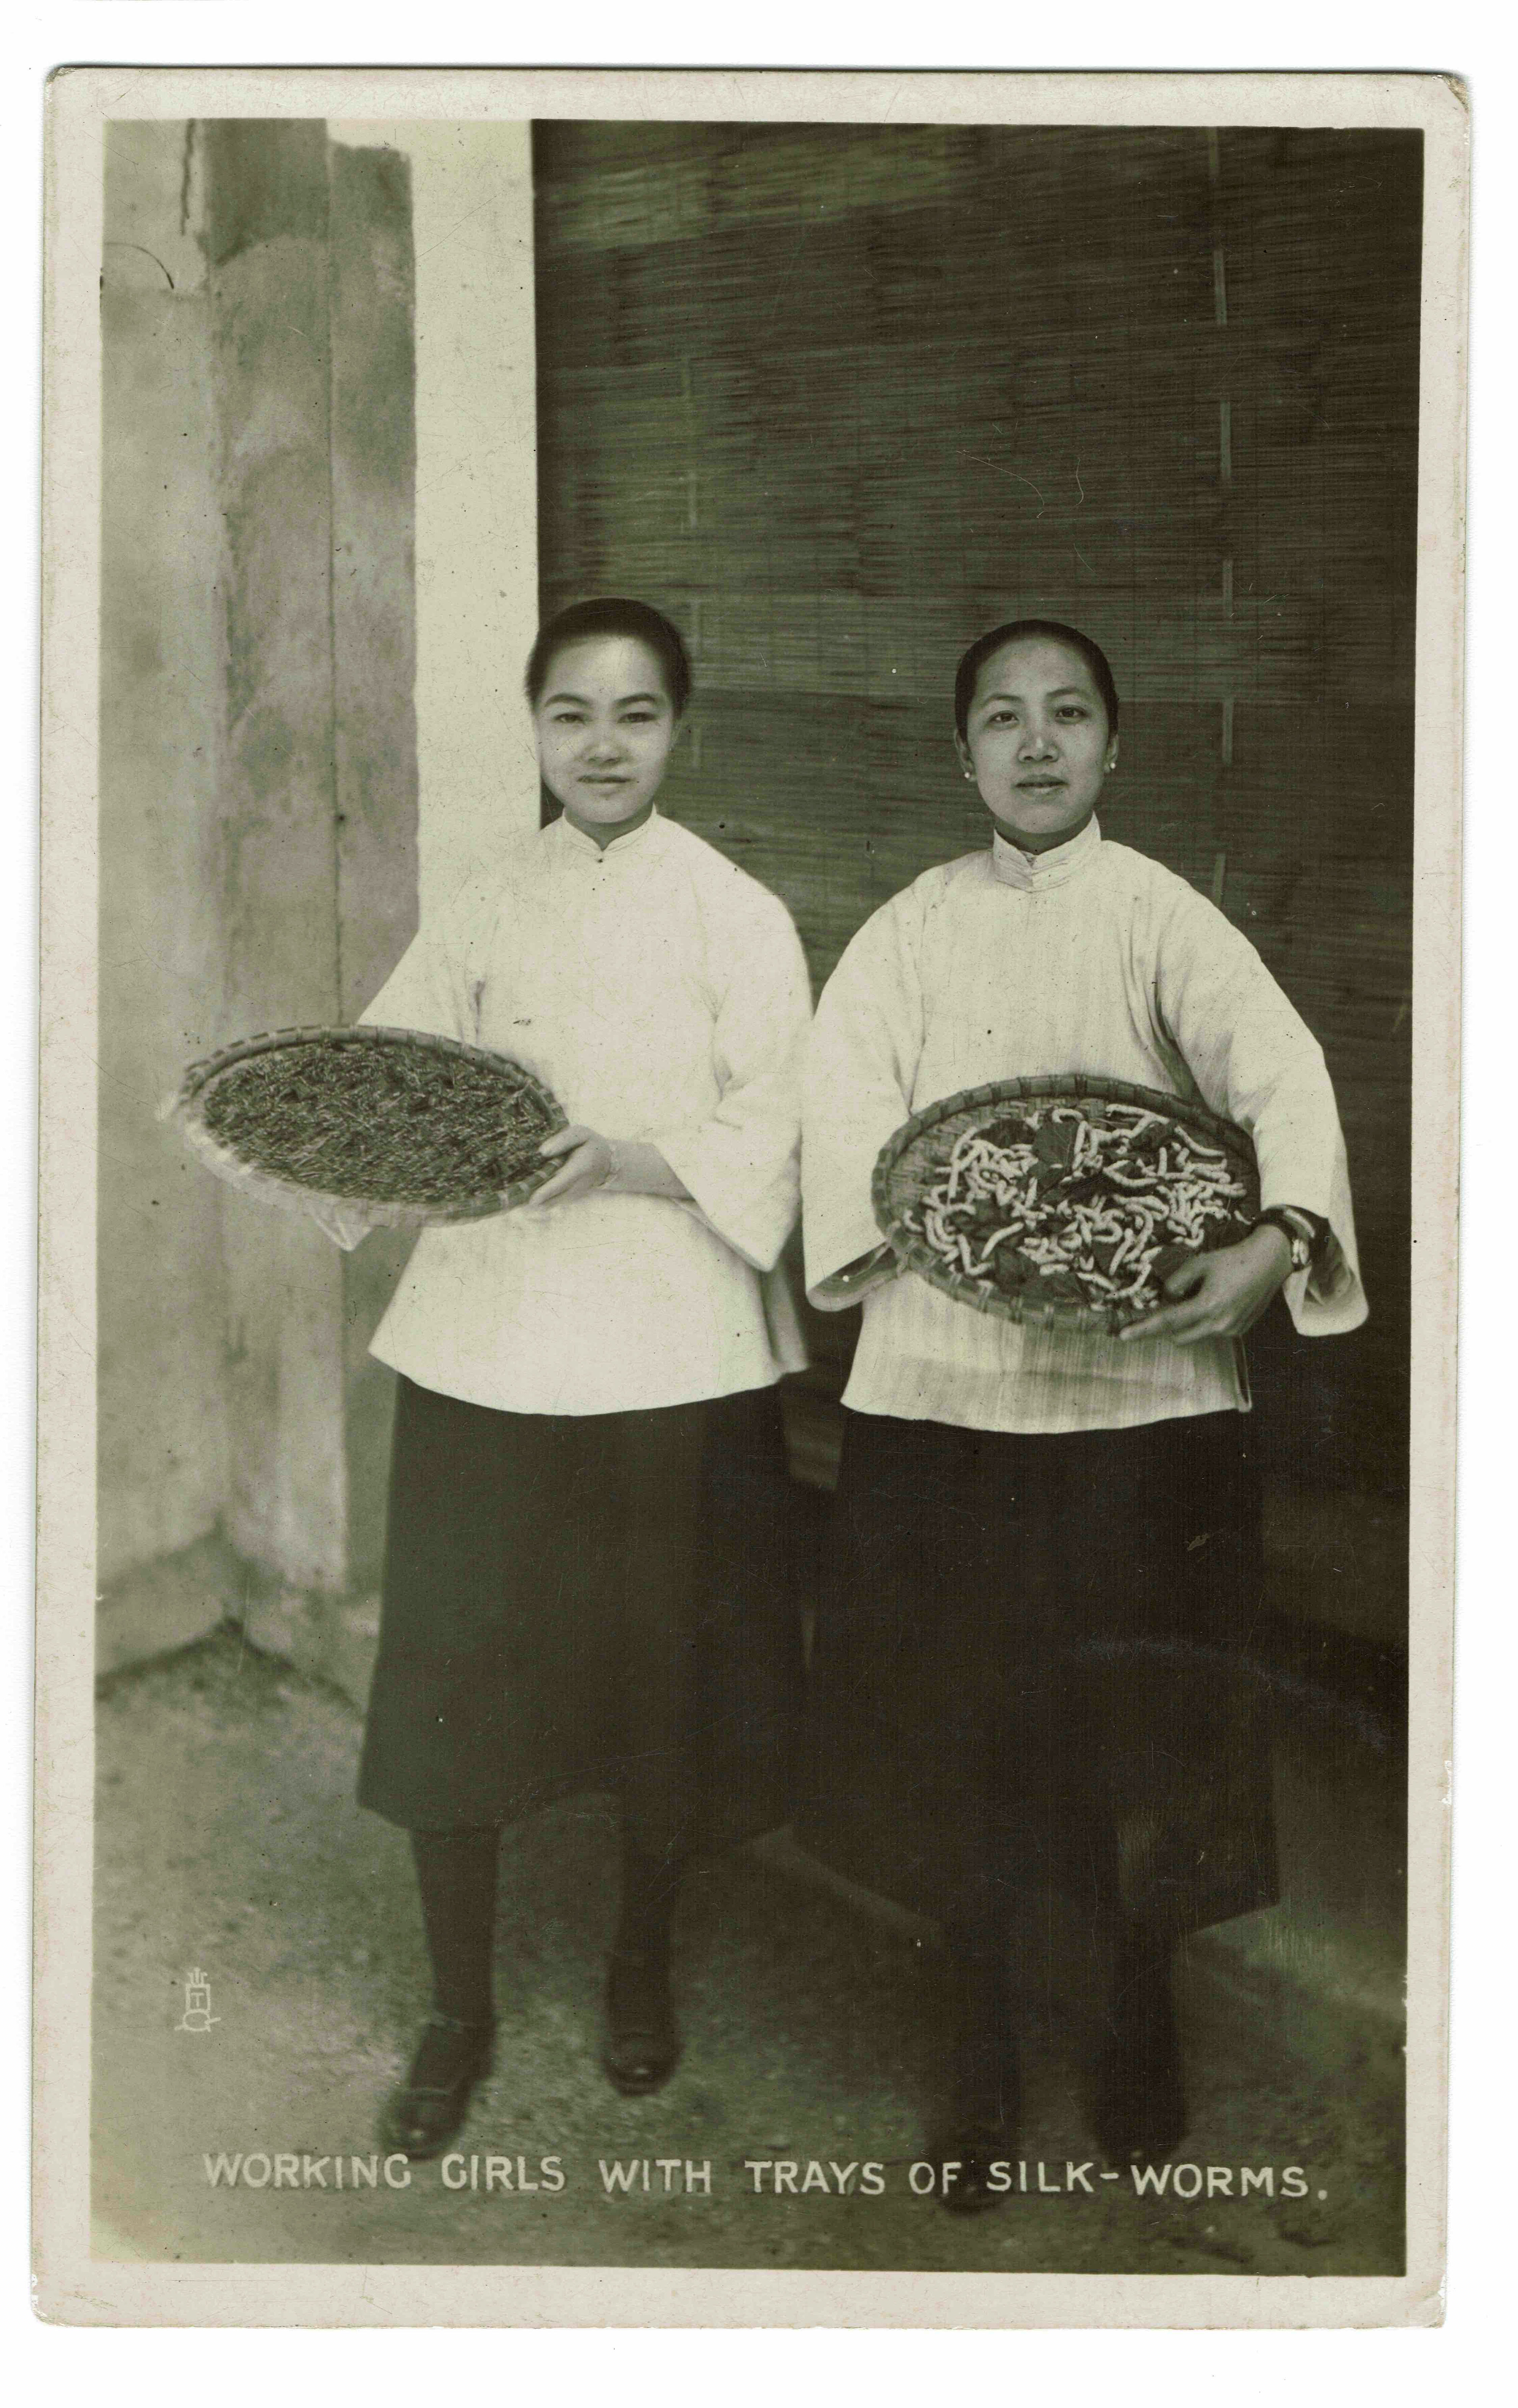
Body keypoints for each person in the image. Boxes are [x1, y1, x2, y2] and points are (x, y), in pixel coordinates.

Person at [799, 618, 1366, 2210]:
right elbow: (846, 1108)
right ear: (959, 755)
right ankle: (975, 2039)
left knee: (1146, 1730)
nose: (1036, 745)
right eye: (1001, 719)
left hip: (1143, 1406)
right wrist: (928, 1246)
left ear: (1118, 746)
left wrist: (1277, 1237)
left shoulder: (1163, 916)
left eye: (1068, 716)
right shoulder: (907, 932)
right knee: (954, 1731)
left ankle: (1137, 2014)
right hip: (947, 1398)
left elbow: (1285, 1074)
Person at [315, 598, 812, 2158]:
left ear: (681, 728)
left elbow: (781, 1126)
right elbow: (387, 1086)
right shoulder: (484, 904)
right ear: (534, 729)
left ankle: (637, 1963)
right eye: (574, 714)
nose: (605, 746)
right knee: (456, 1688)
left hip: (672, 1353)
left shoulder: (739, 913)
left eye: (638, 714)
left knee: (656, 1690)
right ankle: (457, 2010)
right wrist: (329, 1148)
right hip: (489, 1349)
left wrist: (629, 1157)